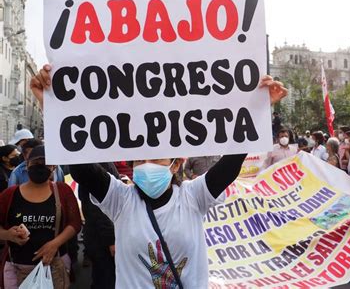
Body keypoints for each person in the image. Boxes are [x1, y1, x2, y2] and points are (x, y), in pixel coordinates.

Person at [30, 64, 287, 288]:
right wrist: (52, 107)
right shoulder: (121, 200)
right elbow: (82, 168)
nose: (146, 165)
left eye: (157, 159)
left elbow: (230, 165)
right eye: (140, 160)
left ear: (175, 165)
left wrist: (258, 109)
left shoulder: (193, 196)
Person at [0, 145, 81, 288]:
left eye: (46, 164)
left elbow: (75, 223)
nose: (40, 166)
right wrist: (8, 234)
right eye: (36, 162)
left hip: (54, 267)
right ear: (27, 165)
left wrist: (54, 244)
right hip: (17, 268)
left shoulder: (63, 191)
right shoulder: (10, 194)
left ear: (54, 168)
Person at [79, 163, 120, 289]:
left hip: (96, 233)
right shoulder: (101, 164)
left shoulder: (100, 163)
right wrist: (111, 239)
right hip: (102, 238)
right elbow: (98, 208)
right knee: (106, 279)